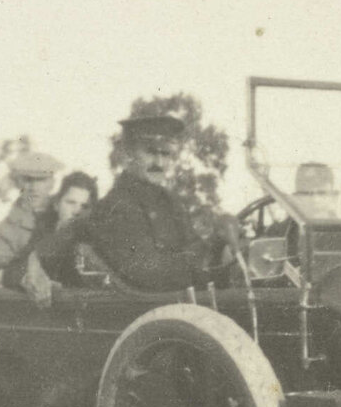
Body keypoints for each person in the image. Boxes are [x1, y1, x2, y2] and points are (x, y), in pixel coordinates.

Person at [68, 114, 241, 292]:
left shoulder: (170, 202)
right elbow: (149, 274)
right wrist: (203, 264)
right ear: (128, 153)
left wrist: (219, 245)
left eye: (165, 154)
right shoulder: (116, 205)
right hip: (152, 309)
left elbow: (195, 249)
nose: (159, 163)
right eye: (150, 152)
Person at [4, 170, 98, 307]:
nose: (77, 211)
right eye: (70, 202)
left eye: (85, 206)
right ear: (57, 204)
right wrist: (29, 278)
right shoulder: (45, 232)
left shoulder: (94, 240)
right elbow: (12, 271)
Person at [0, 151, 63, 280]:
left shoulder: (64, 217)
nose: (34, 187)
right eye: (28, 180)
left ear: (52, 183)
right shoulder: (4, 231)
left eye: (41, 180)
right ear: (19, 183)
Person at [284, 161, 341, 257]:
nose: (315, 199)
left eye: (321, 193)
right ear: (296, 196)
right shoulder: (279, 233)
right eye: (307, 193)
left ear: (333, 196)